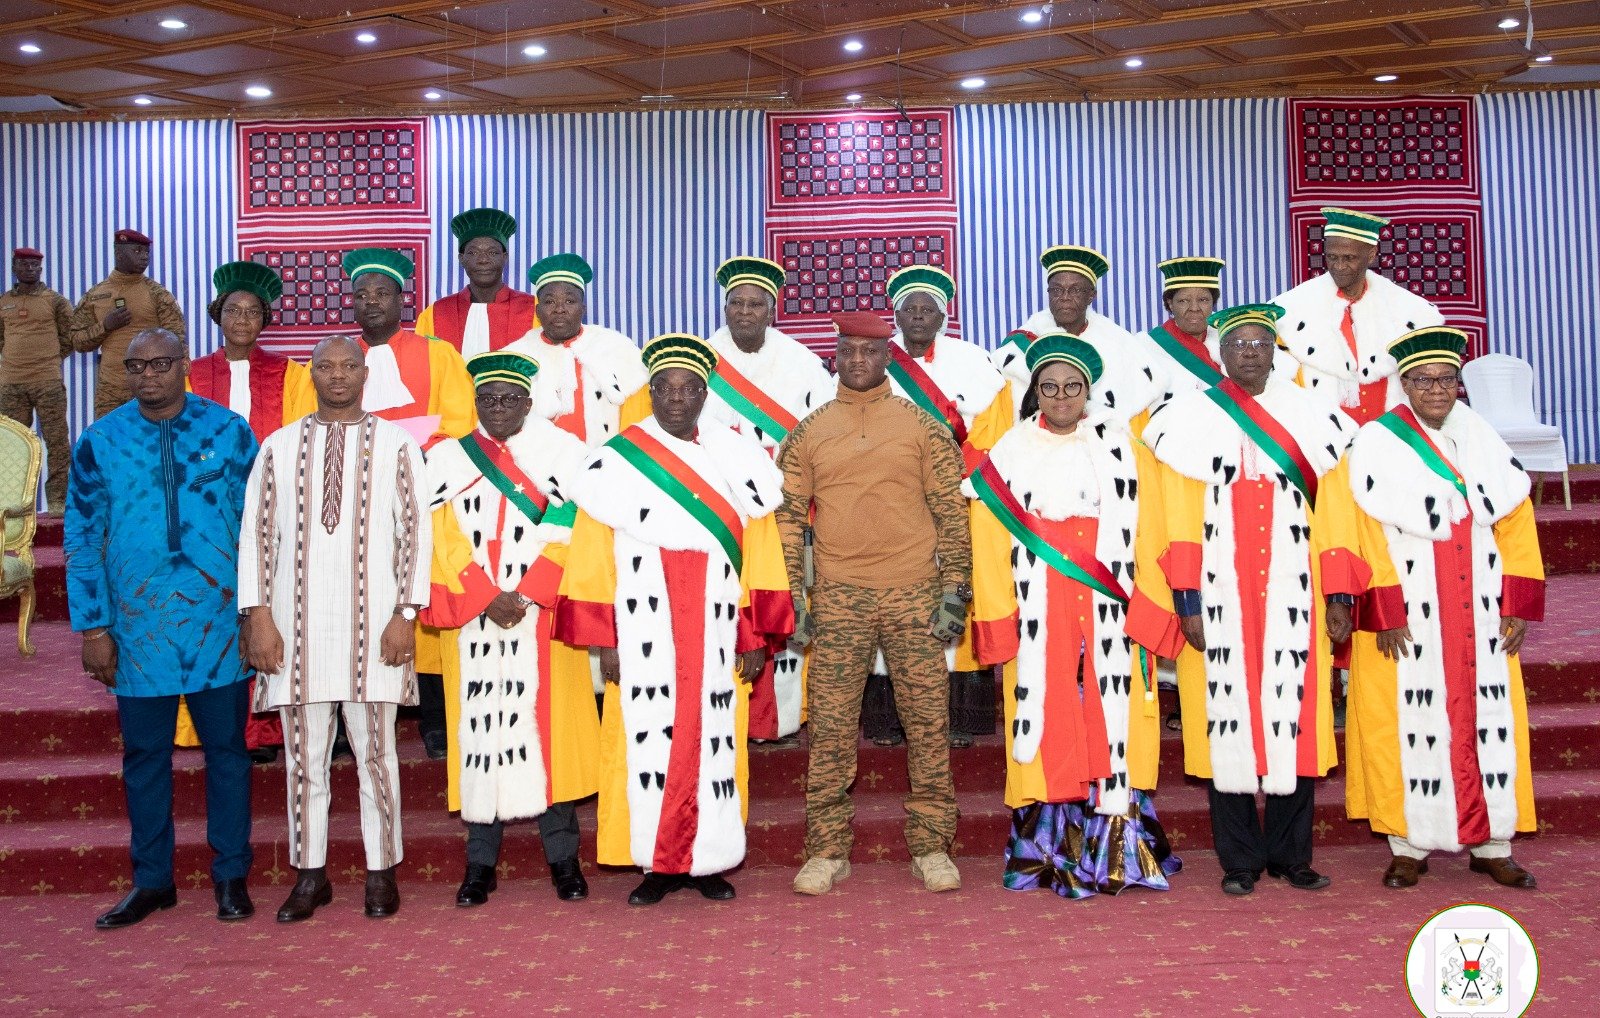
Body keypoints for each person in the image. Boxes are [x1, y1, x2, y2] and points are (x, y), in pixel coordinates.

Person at [557, 333, 791, 906]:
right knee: (644, 742)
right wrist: (606, 640)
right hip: (642, 627)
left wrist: (752, 634)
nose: (678, 398)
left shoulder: (738, 459)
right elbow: (591, 553)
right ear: (652, 392)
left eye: (690, 389)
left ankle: (709, 858)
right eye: (666, 388)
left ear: (705, 395)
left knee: (715, 739)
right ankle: (656, 863)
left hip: (718, 625)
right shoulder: (617, 459)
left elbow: (760, 551)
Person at [1316, 327, 1542, 890]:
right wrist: (1384, 608)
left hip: (1481, 610)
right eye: (1423, 380)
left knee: (1489, 722)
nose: (1435, 390)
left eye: (1445, 379)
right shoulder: (1373, 445)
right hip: (1409, 613)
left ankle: (1493, 843)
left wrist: (1515, 602)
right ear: (1405, 384)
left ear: (1459, 383)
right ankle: (1407, 844)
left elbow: (1516, 522)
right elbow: (1350, 529)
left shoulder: (1485, 440)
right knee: (1400, 723)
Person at [1138, 303, 1350, 897]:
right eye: (1238, 345)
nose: (1249, 353)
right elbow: (1177, 519)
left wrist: (1339, 594)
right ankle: (1238, 859)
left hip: (1296, 589)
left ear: (1274, 352)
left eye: (1259, 344)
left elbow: (1336, 514)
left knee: (1297, 720)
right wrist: (1187, 601)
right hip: (1217, 591)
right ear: (1221, 353)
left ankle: (1291, 856)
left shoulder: (1313, 416)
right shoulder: (1188, 420)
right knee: (1222, 719)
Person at [966, 333, 1184, 898]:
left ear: (1088, 391)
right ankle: (1049, 851)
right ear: (1036, 392)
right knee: (1047, 709)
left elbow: (1153, 528)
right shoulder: (1009, 451)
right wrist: (999, 618)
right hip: (1037, 597)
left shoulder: (1123, 446)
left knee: (1114, 714)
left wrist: (1150, 605)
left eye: (1072, 387)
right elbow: (988, 542)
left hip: (1111, 594)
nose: (1061, 397)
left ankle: (1117, 850)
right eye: (1050, 387)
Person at [63, 327, 257, 928]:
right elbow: (81, 537)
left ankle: (231, 877)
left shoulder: (228, 432)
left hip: (217, 626)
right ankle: (152, 881)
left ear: (183, 365)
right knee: (145, 756)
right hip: (136, 630)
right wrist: (93, 628)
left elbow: (262, 529)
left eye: (160, 364)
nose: (148, 376)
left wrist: (257, 613)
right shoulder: (101, 441)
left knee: (227, 754)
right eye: (136, 366)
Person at [239, 334, 432, 922]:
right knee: (304, 761)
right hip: (294, 630)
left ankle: (381, 871)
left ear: (365, 374)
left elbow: (415, 533)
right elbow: (256, 534)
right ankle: (309, 874)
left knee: (376, 757)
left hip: (375, 630)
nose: (339, 375)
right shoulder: (278, 446)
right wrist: (258, 617)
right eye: (327, 366)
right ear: (313, 375)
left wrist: (405, 615)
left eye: (350, 365)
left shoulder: (397, 444)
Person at [780, 310, 968, 897]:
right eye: (848, 352)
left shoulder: (922, 427)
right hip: (838, 595)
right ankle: (826, 850)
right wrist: (793, 597)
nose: (858, 361)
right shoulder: (810, 431)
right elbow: (788, 519)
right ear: (835, 356)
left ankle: (932, 846)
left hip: (915, 593)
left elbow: (951, 512)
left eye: (869, 352)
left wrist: (955, 591)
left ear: (888, 356)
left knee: (928, 724)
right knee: (831, 727)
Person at [422, 350, 598, 906]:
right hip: (474, 617)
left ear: (528, 401)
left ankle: (564, 859)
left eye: (509, 399)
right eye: (488, 399)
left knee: (550, 737)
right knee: (478, 736)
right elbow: (437, 534)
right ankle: (480, 864)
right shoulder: (447, 459)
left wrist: (528, 591)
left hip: (541, 616)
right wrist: (483, 594)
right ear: (475, 402)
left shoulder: (564, 453)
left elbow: (578, 526)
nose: (498, 408)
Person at [177, 259, 316, 763]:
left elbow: (300, 438)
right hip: (206, 515)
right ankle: (214, 726)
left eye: (252, 311)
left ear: (265, 319)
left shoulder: (291, 374)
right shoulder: (190, 374)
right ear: (218, 315)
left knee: (272, 614)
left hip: (272, 509)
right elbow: (180, 444)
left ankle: (265, 727)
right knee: (211, 617)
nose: (242, 320)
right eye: (233, 310)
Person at [867, 265, 1011, 750]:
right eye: (909, 308)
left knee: (950, 597)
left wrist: (953, 479)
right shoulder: (871, 359)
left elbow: (992, 434)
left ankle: (955, 716)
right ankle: (890, 718)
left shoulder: (974, 362)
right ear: (896, 314)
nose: (918, 316)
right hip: (889, 501)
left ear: (942, 316)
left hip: (957, 498)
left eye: (927, 309)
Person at [342, 247, 475, 761]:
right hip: (354, 502)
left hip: (427, 493)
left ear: (402, 299)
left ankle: (435, 719)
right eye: (362, 294)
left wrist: (410, 452)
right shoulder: (336, 359)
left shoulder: (439, 354)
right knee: (359, 606)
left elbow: (461, 423)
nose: (371, 302)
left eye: (382, 292)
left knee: (425, 601)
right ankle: (354, 721)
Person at [703, 255, 833, 742]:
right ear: (724, 308)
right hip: (720, 503)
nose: (744, 312)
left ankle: (786, 715)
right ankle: (724, 710)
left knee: (786, 601)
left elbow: (822, 433)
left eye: (755, 304)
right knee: (728, 603)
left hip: (784, 503)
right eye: (735, 303)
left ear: (772, 310)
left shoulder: (802, 362)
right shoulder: (702, 359)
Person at [1275, 207, 1445, 425]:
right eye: (1332, 257)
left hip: (1390, 430)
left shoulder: (1411, 310)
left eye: (1349, 258)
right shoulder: (1290, 310)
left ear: (1371, 254)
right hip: (1322, 431)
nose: (1339, 266)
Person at [1000, 245, 1167, 430]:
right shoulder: (1018, 347)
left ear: (1091, 295)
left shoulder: (1119, 345)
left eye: (1076, 290)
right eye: (1056, 290)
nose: (1064, 297)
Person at [505, 253, 651, 447]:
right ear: (538, 312)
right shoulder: (515, 358)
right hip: (537, 462)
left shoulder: (617, 349)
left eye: (569, 301)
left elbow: (637, 422)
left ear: (583, 309)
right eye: (549, 302)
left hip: (604, 460)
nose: (559, 309)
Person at [68, 229, 186, 419]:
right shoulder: (95, 295)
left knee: (153, 437)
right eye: (137, 251)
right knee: (107, 437)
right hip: (110, 389)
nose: (144, 257)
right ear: (119, 253)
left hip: (150, 386)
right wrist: (105, 326)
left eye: (146, 252)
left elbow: (177, 341)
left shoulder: (157, 294)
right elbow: (77, 341)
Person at [0, 246, 73, 512]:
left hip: (47, 381)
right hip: (11, 383)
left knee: (57, 442)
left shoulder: (55, 301)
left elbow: (69, 337)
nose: (30, 269)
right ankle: (14, 504)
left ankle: (57, 501)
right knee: (11, 445)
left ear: (41, 269)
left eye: (35, 265)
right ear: (14, 268)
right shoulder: (3, 302)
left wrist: (47, 358)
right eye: (24, 265)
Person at [413, 207, 538, 357]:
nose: (483, 260)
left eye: (492, 252)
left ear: (504, 257)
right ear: (461, 259)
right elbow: (422, 364)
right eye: (473, 252)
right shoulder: (435, 314)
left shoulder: (535, 310)